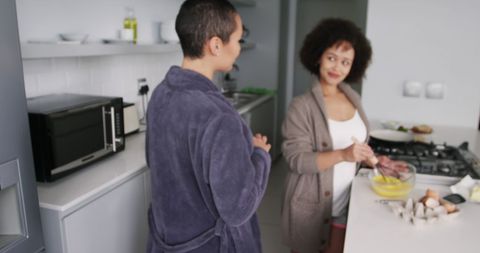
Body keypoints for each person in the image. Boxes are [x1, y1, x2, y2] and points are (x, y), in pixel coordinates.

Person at [145, 0, 272, 252]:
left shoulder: (161, 93)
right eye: (237, 39)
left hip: (168, 239)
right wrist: (260, 155)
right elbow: (238, 208)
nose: (238, 48)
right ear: (215, 45)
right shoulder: (219, 117)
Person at [281, 18, 373, 253]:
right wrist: (343, 154)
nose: (337, 67)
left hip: (347, 201)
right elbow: (297, 160)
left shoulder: (353, 98)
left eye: (345, 62)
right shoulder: (301, 107)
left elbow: (357, 143)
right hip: (312, 206)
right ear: (318, 56)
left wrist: (369, 157)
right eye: (331, 57)